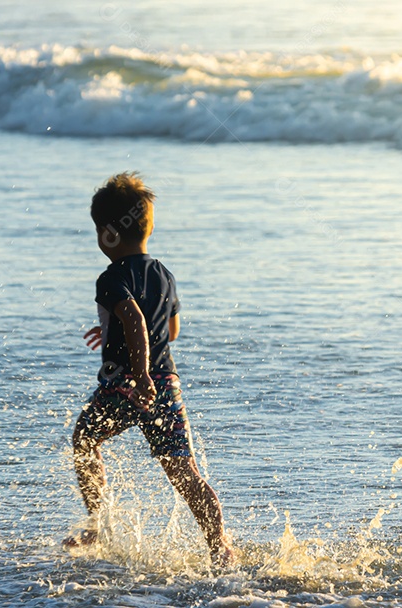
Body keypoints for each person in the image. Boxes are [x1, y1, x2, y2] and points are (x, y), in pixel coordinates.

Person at [63, 172, 234, 569]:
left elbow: (135, 319)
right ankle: (220, 545)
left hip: (128, 384)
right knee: (184, 471)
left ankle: (97, 525)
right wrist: (112, 330)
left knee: (85, 440)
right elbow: (168, 331)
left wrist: (138, 374)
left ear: (108, 234)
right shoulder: (164, 275)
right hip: (167, 384)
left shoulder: (110, 278)